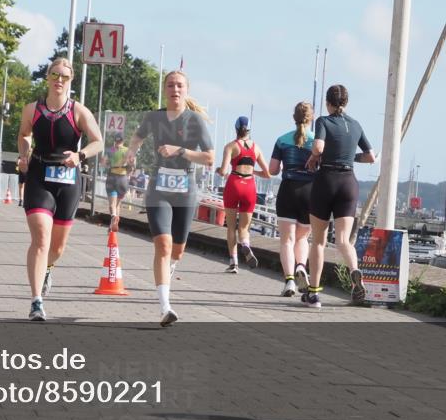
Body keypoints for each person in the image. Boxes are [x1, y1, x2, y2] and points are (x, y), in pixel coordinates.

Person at [16, 58, 103, 321]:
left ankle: (48, 268)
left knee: (57, 247)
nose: (59, 80)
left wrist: (80, 155)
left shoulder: (79, 111)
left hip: (68, 179)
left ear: (71, 80)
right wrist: (23, 154)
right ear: (47, 77)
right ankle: (36, 301)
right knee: (41, 237)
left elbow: (98, 141)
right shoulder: (32, 109)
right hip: (40, 175)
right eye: (54, 75)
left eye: (64, 76)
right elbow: (23, 135)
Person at [125, 70, 214, 327]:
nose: (175, 89)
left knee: (178, 249)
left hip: (185, 187)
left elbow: (209, 157)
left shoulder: (195, 120)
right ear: (165, 89)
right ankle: (165, 306)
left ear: (186, 90)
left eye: (180, 86)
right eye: (171, 85)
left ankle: (170, 267)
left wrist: (182, 151)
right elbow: (137, 137)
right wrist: (132, 152)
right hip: (159, 187)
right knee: (163, 246)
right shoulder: (155, 117)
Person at [304, 84, 377, 308]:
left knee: (318, 240)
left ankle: (314, 294)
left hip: (327, 181)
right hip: (349, 183)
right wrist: (349, 157)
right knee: (344, 240)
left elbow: (317, 147)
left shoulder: (324, 122)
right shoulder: (355, 125)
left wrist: (318, 154)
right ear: (346, 103)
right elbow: (371, 157)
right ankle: (355, 275)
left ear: (328, 103)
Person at [270, 102, 315, 297]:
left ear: (293, 117)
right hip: (309, 192)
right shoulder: (317, 142)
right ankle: (301, 267)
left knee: (286, 240)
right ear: (310, 117)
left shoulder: (282, 140)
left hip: (287, 190)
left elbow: (272, 170)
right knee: (303, 237)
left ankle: (289, 281)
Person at [216, 116, 271, 273]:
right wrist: (253, 171)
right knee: (244, 227)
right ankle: (246, 245)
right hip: (249, 187)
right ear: (249, 130)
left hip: (233, 184)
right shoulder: (257, 148)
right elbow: (267, 174)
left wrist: (218, 170)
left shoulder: (230, 147)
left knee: (231, 227)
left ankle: (234, 262)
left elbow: (224, 171)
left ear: (236, 129)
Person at [103, 133, 132, 230]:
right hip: (123, 178)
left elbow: (103, 163)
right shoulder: (127, 150)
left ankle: (113, 217)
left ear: (115, 140)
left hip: (112, 176)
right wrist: (128, 174)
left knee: (112, 204)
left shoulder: (111, 150)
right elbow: (131, 165)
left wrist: (108, 164)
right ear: (123, 141)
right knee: (118, 204)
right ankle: (114, 224)